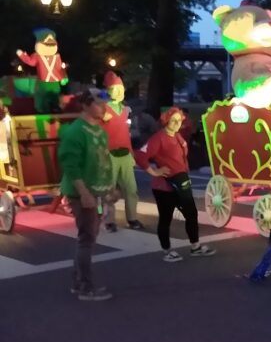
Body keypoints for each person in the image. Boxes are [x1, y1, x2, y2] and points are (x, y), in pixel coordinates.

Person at [136, 107, 216, 262]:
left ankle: (195, 246)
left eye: (179, 120)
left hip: (182, 183)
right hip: (164, 187)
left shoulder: (178, 136)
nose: (177, 123)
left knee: (191, 214)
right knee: (166, 218)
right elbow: (140, 155)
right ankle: (167, 250)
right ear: (166, 121)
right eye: (173, 120)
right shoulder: (159, 138)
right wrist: (154, 172)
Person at [58, 90, 114, 301]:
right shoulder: (75, 132)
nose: (104, 107)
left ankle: (78, 281)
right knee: (87, 239)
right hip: (83, 194)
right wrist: (84, 193)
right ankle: (85, 287)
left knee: (89, 237)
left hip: (96, 193)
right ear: (86, 105)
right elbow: (70, 166)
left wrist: (110, 189)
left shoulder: (99, 131)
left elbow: (104, 162)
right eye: (99, 103)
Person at [100, 72, 144, 232]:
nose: (119, 92)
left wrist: (131, 154)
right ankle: (109, 220)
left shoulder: (126, 110)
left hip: (125, 153)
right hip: (109, 153)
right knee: (109, 189)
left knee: (131, 188)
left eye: (121, 89)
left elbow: (127, 134)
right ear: (108, 91)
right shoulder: (102, 109)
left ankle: (132, 218)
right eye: (115, 89)